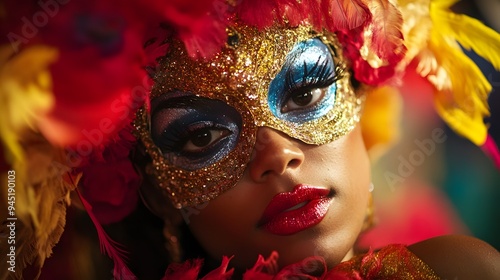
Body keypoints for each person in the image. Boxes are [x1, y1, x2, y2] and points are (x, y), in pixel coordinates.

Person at [1, 0, 500, 279]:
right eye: (201, 136)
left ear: (358, 102)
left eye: (304, 92)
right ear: (160, 195)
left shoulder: (461, 271)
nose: (277, 154)